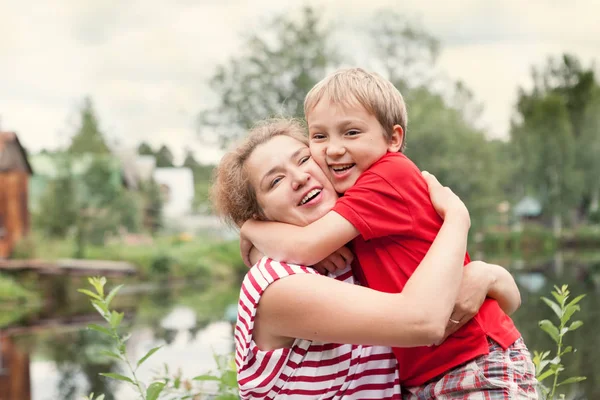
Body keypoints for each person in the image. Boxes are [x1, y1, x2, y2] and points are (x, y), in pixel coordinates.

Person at [239, 69, 538, 398]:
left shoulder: (387, 176)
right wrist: (256, 242)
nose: (334, 150)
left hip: (472, 362)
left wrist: (251, 228)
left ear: (393, 139)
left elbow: (305, 246)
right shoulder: (346, 215)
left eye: (351, 132)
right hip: (430, 373)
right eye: (320, 137)